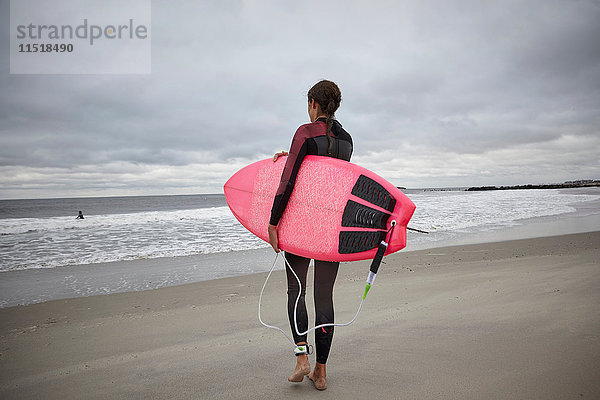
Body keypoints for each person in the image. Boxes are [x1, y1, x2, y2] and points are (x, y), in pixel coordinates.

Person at [268, 80, 353, 391]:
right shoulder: (347, 140)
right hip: (332, 228)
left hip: (302, 226)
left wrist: (273, 223)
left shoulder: (305, 133)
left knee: (296, 291)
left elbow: (289, 182)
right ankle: (321, 370)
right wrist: (291, 155)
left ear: (314, 103)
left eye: (308, 104)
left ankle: (302, 358)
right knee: (324, 297)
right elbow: (333, 180)